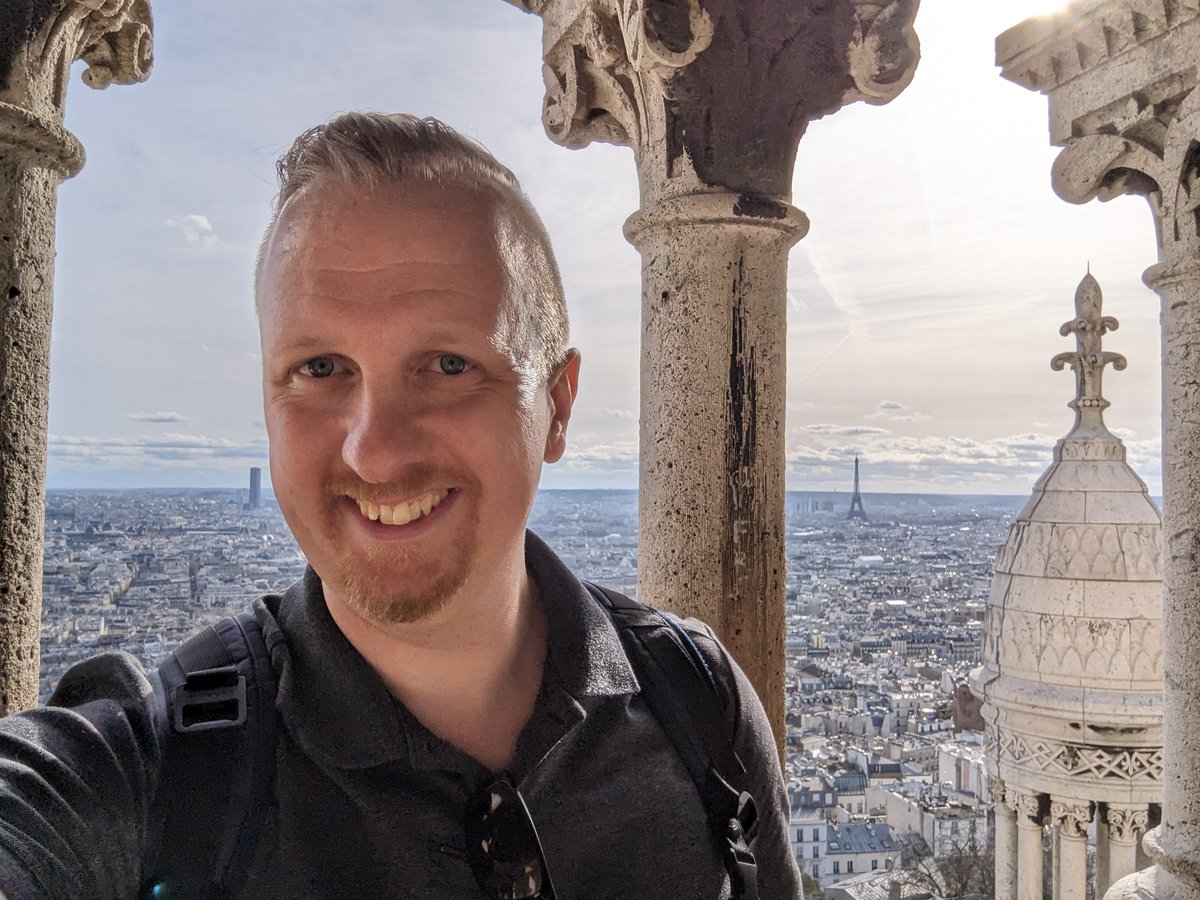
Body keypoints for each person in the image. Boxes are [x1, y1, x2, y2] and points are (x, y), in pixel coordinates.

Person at [0, 112, 802, 899]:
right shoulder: (140, 778)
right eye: (320, 368)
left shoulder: (705, 703)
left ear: (555, 408)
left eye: (449, 364)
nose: (373, 450)